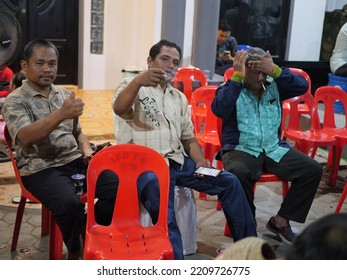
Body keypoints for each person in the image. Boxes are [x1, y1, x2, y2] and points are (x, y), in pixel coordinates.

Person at [113, 39, 257, 260]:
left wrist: (199, 161)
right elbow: (120, 107)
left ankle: (248, 250)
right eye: (164, 59)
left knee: (229, 181)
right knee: (165, 212)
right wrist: (138, 81)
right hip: (146, 167)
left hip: (178, 163)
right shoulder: (131, 86)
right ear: (150, 61)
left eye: (175, 62)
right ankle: (176, 262)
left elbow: (188, 137)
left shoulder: (178, 97)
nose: (171, 65)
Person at [1, 38, 118, 259]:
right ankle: (75, 249)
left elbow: (77, 132)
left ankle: (86, 228)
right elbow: (25, 137)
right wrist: (61, 114)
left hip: (74, 160)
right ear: (25, 66)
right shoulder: (15, 101)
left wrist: (86, 151)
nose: (47, 69)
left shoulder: (64, 95)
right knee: (68, 203)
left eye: (52, 64)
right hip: (40, 168)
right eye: (40, 63)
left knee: (118, 186)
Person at [211, 47, 323, 245]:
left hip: (272, 148)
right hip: (241, 148)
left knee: (312, 169)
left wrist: (275, 70)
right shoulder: (231, 86)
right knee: (238, 173)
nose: (261, 77)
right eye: (255, 71)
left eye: (264, 71)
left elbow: (302, 87)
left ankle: (280, 221)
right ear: (243, 70)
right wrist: (237, 77)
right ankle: (247, 232)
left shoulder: (274, 85)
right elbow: (219, 108)